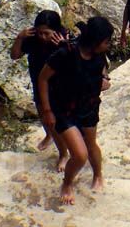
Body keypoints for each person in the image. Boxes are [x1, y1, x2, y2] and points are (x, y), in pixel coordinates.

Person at [38, 16, 113, 204]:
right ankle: (67, 183)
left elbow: (100, 73)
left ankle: (98, 175)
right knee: (80, 155)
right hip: (64, 110)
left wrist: (104, 81)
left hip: (88, 107)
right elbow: (43, 79)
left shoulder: (98, 55)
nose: (109, 45)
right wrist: (47, 111)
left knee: (91, 144)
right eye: (106, 41)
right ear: (95, 42)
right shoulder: (64, 54)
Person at [10, 10, 69, 169]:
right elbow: (14, 55)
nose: (42, 37)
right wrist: (20, 37)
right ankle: (50, 135)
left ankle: (64, 153)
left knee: (57, 120)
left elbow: (74, 63)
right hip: (38, 83)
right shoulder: (32, 38)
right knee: (44, 117)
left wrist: (64, 46)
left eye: (46, 33)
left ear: (55, 31)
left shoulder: (64, 38)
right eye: (40, 33)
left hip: (60, 86)